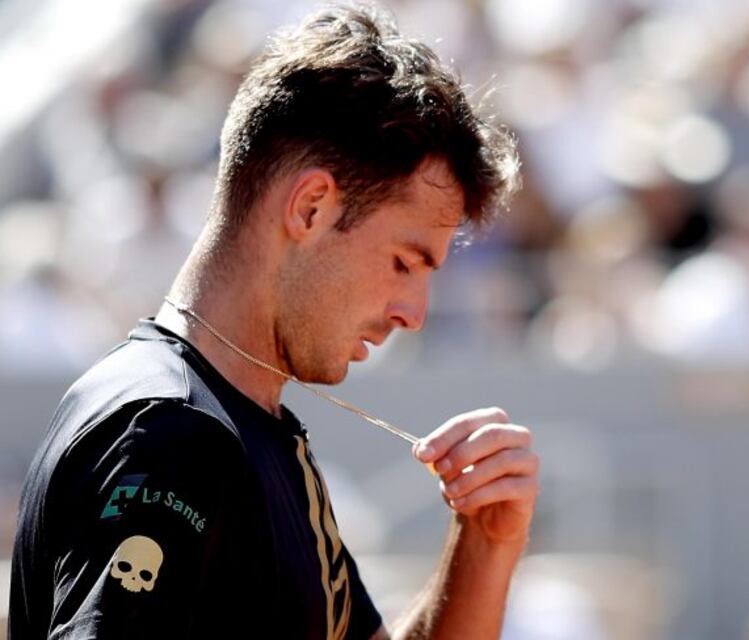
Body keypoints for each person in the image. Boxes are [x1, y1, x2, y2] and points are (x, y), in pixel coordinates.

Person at [8, 5, 538, 639]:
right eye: (403, 262)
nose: (414, 313)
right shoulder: (171, 433)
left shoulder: (252, 433)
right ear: (311, 207)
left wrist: (483, 543)